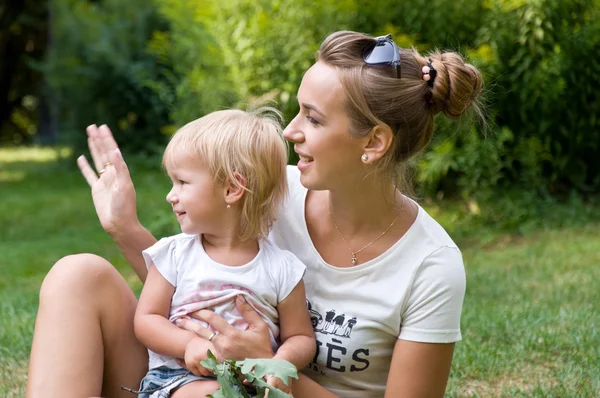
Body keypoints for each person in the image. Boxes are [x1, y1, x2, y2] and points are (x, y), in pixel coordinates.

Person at [27, 30, 482, 398]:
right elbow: (201, 287)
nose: (290, 131)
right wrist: (126, 228)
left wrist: (267, 364)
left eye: (314, 118)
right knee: (77, 275)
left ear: (374, 142)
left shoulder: (430, 265)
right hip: (197, 379)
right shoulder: (272, 190)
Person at [129, 109, 314, 397]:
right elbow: (147, 319)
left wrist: (279, 364)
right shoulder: (175, 254)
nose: (171, 195)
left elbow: (301, 337)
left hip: (253, 385)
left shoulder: (282, 268)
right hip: (179, 379)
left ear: (231, 189)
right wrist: (187, 344)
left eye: (182, 182)